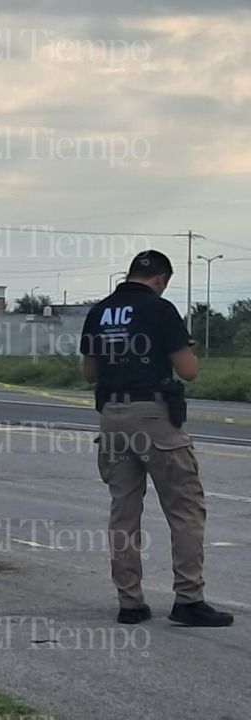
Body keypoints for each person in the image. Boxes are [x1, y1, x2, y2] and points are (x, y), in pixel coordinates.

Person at [80, 249, 233, 627]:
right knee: (184, 509)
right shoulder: (161, 310)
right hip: (154, 416)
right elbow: (189, 370)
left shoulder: (99, 311)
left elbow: (89, 374)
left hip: (112, 417)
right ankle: (188, 599)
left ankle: (130, 603)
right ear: (161, 280)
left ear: (130, 273)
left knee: (124, 512)